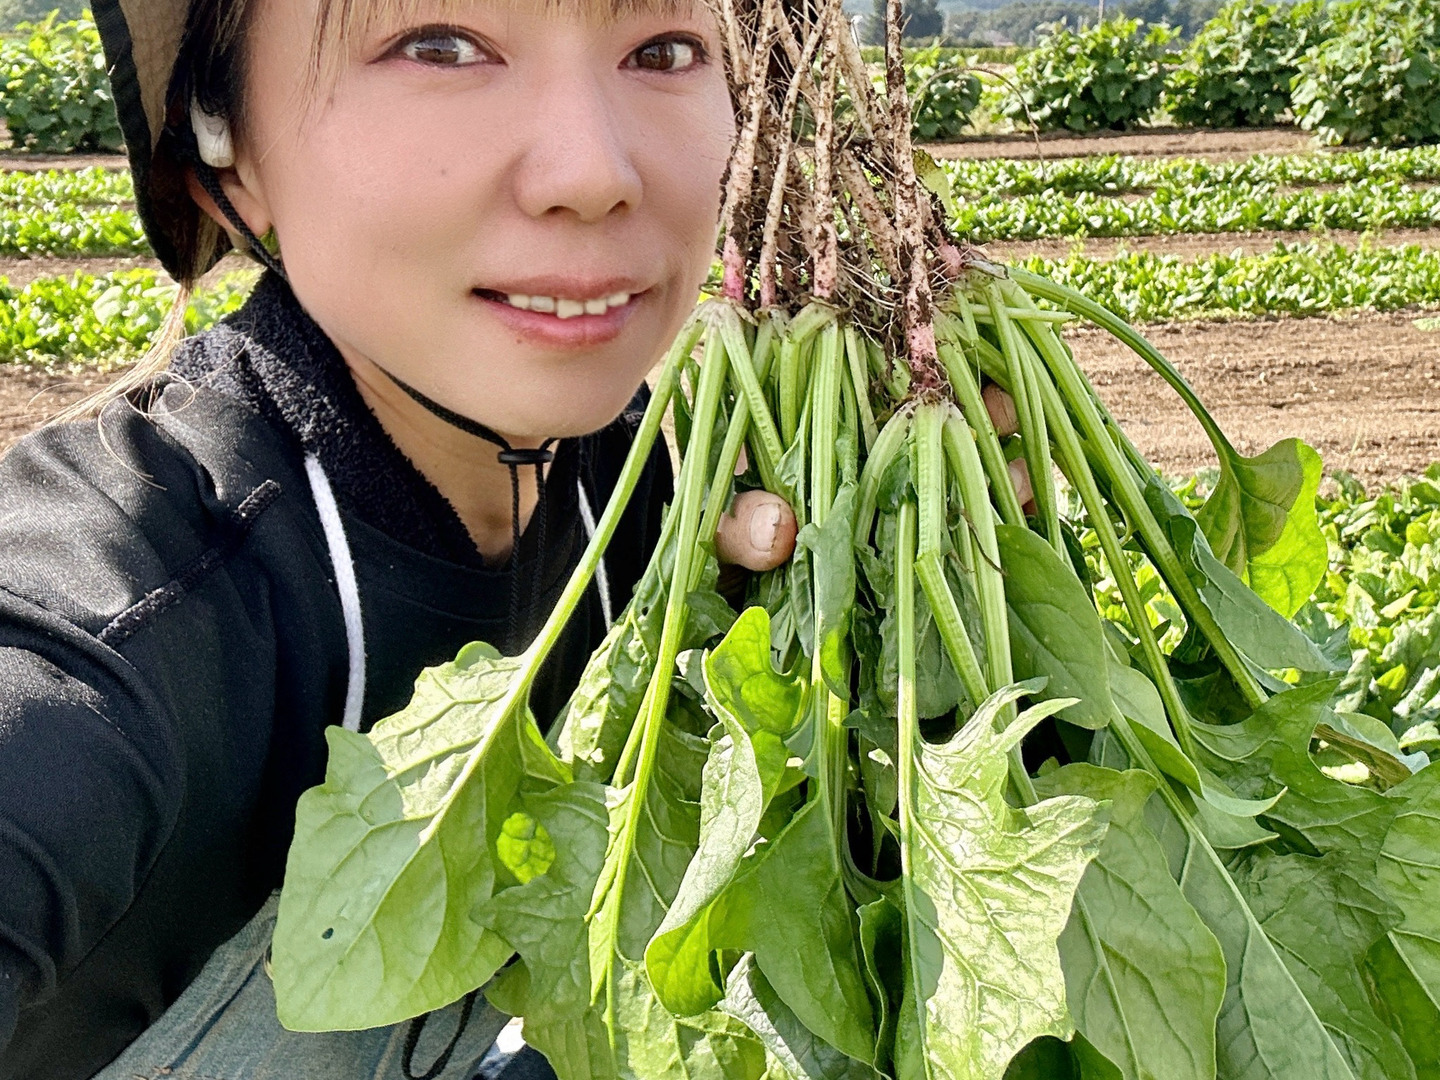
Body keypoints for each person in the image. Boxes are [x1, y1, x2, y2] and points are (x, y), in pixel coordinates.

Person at [0, 2, 1026, 1078]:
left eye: (664, 50)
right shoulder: (113, 625)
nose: (593, 173)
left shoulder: (677, 524)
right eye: (439, 47)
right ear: (227, 151)